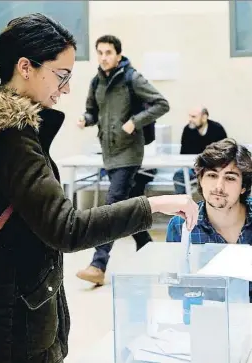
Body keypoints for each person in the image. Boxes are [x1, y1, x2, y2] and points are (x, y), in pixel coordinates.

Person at [0, 14, 198, 363]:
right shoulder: (9, 138)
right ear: (26, 67)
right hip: (11, 330)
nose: (67, 87)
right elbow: (66, 229)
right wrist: (153, 206)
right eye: (62, 75)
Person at [76, 35, 170, 285]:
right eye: (100, 52)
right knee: (127, 208)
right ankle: (149, 248)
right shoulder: (97, 81)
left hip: (129, 153)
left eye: (108, 52)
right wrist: (85, 119)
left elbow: (162, 104)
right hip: (109, 153)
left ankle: (98, 264)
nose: (104, 57)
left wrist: (135, 122)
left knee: (112, 205)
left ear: (118, 55)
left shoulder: (131, 78)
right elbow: (92, 111)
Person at [166, 139, 252, 305]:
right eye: (211, 175)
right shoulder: (181, 226)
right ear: (201, 180)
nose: (219, 186)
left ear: (243, 186)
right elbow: (175, 288)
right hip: (214, 319)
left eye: (230, 178)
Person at [173, 106, 227, 194]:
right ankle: (182, 203)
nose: (190, 119)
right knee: (179, 175)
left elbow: (224, 154)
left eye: (193, 117)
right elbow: (183, 153)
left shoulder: (217, 129)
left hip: (213, 167)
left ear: (204, 117)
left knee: (213, 177)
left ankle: (212, 205)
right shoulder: (188, 130)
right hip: (193, 167)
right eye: (189, 116)